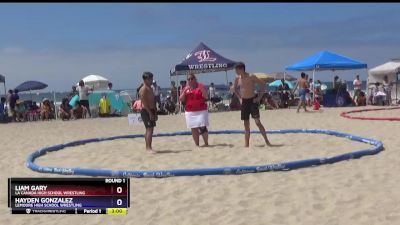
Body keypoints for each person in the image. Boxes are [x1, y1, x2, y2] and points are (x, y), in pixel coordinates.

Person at [233, 62, 272, 148]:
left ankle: (267, 141)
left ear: (241, 69)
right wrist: (239, 98)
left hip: (252, 101)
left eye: (236, 70)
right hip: (244, 102)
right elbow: (234, 88)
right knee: (246, 124)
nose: (235, 71)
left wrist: (259, 98)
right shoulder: (237, 78)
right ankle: (246, 144)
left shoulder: (251, 76)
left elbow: (263, 84)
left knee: (257, 122)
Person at [180, 74, 209, 147]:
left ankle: (206, 143)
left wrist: (202, 89)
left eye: (192, 78)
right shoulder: (185, 88)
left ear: (195, 79)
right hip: (190, 112)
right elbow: (181, 99)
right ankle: (197, 144)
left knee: (202, 127)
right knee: (193, 128)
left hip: (201, 110)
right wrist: (184, 91)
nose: (190, 80)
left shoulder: (200, 86)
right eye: (188, 79)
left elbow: (206, 96)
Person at [139, 72, 158, 153]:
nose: (151, 80)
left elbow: (153, 101)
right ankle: (148, 148)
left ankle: (149, 147)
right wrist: (150, 113)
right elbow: (144, 102)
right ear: (145, 79)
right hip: (146, 111)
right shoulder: (143, 89)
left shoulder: (150, 88)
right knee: (149, 129)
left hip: (152, 110)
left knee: (150, 129)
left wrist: (155, 112)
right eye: (150, 79)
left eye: (152, 78)